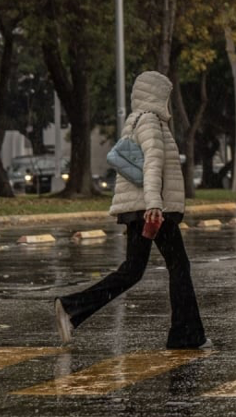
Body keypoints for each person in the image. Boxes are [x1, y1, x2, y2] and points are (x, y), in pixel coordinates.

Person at [54, 71, 209, 349]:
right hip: (150, 209)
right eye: (167, 95)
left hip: (141, 209)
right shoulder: (151, 122)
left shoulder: (136, 120)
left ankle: (71, 308)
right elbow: (152, 164)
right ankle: (186, 336)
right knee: (178, 267)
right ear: (158, 94)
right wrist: (154, 204)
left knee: (133, 271)